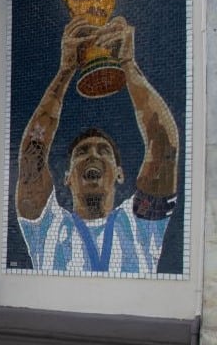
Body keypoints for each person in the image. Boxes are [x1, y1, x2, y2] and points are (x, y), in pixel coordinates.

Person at [15, 16, 179, 272]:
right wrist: (65, 71)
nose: (93, 155)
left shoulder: (139, 225)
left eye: (104, 151)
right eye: (82, 152)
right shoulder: (47, 228)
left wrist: (128, 65)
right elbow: (31, 158)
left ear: (120, 174)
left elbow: (163, 147)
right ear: (67, 177)